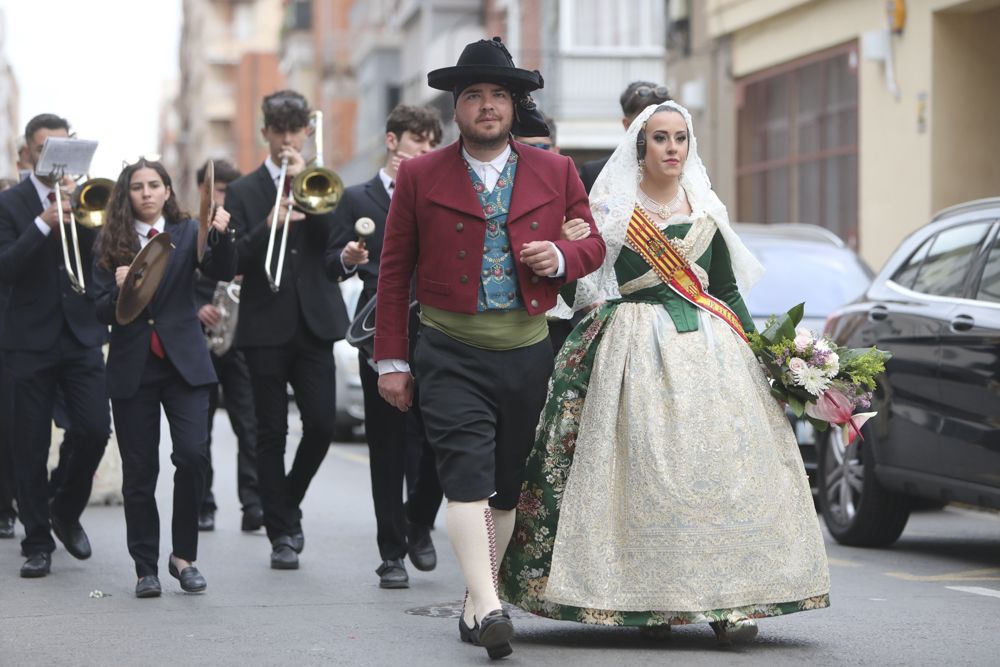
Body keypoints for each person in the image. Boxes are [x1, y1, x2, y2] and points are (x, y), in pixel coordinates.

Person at [499, 101, 830, 644]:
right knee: (640, 476)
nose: (672, 148)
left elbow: (724, 291)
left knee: (722, 477)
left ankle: (732, 600)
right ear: (640, 146)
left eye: (680, 137)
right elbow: (571, 285)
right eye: (660, 138)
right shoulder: (607, 210)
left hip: (713, 359)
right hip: (629, 356)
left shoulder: (704, 209)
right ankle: (645, 600)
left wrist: (767, 358)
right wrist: (562, 242)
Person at [374, 37, 606, 659]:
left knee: (506, 488)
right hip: (449, 349)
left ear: (515, 105)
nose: (486, 106)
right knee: (466, 480)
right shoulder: (421, 174)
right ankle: (492, 607)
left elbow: (593, 246)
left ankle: (480, 602)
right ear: (456, 107)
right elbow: (394, 273)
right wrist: (392, 359)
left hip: (529, 350)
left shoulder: (555, 171)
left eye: (497, 95)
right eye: (473, 95)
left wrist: (560, 254)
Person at [92, 157, 235, 598]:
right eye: (138, 187)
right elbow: (96, 311)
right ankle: (145, 568)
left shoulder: (190, 233)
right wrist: (120, 288)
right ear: (127, 194)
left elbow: (222, 270)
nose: (147, 193)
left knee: (192, 456)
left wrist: (223, 232)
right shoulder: (109, 243)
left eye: (155, 184)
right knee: (140, 471)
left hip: (185, 364)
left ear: (169, 191)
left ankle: (183, 558)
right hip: (134, 366)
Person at [225, 90, 351, 570]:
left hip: (314, 324)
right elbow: (233, 260)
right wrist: (268, 222)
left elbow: (331, 243)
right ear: (265, 134)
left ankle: (285, 502)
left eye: (294, 130)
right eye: (278, 131)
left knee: (320, 424)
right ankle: (281, 533)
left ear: (305, 133)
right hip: (263, 327)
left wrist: (304, 186)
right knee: (269, 433)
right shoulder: (243, 192)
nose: (285, 139)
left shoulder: (322, 183)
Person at [326, 105, 445, 589]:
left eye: (432, 142)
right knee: (387, 448)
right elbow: (330, 264)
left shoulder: (438, 193)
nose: (425, 150)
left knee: (441, 440)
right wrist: (349, 258)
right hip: (382, 329)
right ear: (393, 141)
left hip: (438, 330)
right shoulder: (356, 197)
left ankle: (419, 520)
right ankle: (391, 553)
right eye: (418, 140)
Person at [0, 114, 111, 578]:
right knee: (28, 444)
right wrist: (44, 224)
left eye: (65, 149)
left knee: (93, 430)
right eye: (48, 150)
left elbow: (102, 254)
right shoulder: (10, 205)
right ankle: (37, 540)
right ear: (29, 154)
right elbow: (5, 267)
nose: (56, 159)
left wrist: (83, 214)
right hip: (27, 340)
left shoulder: (85, 200)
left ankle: (63, 507)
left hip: (80, 336)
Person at [192, 159, 262, 533]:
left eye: (226, 191)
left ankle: (253, 502)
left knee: (249, 425)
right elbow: (172, 282)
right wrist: (195, 308)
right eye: (215, 191)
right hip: (200, 340)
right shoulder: (191, 230)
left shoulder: (244, 223)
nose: (221, 198)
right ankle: (204, 503)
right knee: (199, 428)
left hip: (241, 338)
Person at [578, 81, 670, 194]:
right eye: (645, 120)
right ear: (627, 124)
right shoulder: (595, 174)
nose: (656, 127)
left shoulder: (690, 173)